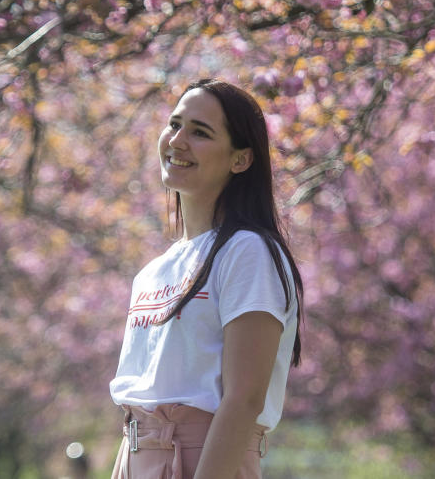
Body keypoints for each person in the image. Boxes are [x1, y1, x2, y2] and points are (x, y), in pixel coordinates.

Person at [109, 78, 304, 479]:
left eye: (200, 132)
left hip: (207, 462)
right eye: (175, 124)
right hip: (136, 457)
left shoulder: (246, 252)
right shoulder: (152, 272)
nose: (178, 140)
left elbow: (244, 399)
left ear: (241, 159)